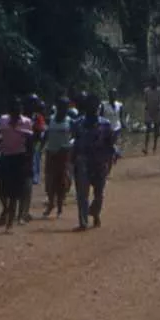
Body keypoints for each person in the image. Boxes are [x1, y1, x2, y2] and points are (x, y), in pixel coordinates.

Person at [71, 97, 115, 230]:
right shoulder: (78, 124)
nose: (93, 110)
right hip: (83, 160)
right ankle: (83, 222)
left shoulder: (105, 124)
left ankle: (95, 213)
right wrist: (72, 160)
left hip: (99, 161)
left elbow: (110, 144)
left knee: (99, 193)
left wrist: (109, 160)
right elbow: (74, 141)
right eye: (91, 107)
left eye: (95, 107)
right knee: (82, 193)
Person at [0, 103, 34, 231]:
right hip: (5, 157)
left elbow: (30, 141)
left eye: (17, 114)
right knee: (2, 189)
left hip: (19, 158)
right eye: (13, 114)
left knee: (14, 192)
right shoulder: (3, 120)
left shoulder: (26, 122)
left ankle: (10, 222)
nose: (15, 117)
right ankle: (6, 209)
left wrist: (28, 160)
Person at [42, 99, 76, 217]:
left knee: (62, 181)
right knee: (49, 180)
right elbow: (46, 135)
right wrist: (41, 147)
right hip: (51, 152)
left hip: (64, 154)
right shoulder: (50, 120)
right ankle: (51, 202)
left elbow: (75, 136)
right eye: (61, 107)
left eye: (65, 107)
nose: (63, 109)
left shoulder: (70, 121)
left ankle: (60, 207)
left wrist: (69, 145)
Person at [142, 80, 160, 155]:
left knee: (156, 129)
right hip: (149, 111)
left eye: (154, 83)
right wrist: (146, 106)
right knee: (148, 129)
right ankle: (146, 147)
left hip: (157, 111)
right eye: (151, 82)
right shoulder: (147, 90)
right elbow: (145, 100)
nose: (153, 84)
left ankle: (154, 146)